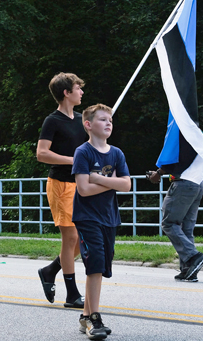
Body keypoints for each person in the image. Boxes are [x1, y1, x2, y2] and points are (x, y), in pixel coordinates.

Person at [72, 104, 131, 340]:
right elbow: (84, 189)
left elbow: (127, 185)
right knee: (95, 261)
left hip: (109, 217)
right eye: (103, 120)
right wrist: (110, 180)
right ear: (88, 125)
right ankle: (94, 319)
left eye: (111, 121)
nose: (109, 123)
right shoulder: (83, 152)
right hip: (87, 217)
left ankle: (85, 317)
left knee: (101, 267)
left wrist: (97, 177)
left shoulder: (116, 153)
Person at [37, 72, 87, 308]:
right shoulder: (52, 121)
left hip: (82, 184)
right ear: (66, 93)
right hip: (60, 185)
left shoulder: (81, 119)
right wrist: (72, 159)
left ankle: (50, 270)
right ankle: (72, 293)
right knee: (71, 238)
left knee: (82, 237)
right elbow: (42, 153)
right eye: (78, 88)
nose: (82, 92)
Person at [147, 135, 203, 282]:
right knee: (186, 228)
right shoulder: (194, 131)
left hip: (184, 183)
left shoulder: (179, 129)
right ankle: (188, 270)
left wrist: (158, 173)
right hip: (198, 182)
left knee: (169, 223)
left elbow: (173, 157)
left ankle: (193, 257)